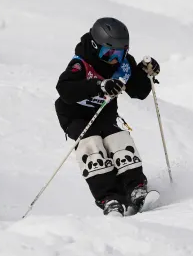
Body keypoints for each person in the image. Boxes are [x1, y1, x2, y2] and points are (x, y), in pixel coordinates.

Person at [54, 17, 161, 216]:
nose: (114, 58)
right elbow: (65, 90)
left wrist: (147, 74)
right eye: (108, 53)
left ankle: (135, 188)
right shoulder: (81, 64)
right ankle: (109, 198)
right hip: (75, 115)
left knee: (119, 140)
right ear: (96, 47)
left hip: (104, 114)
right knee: (92, 145)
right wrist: (99, 86)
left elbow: (138, 91)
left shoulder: (124, 65)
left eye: (120, 53)